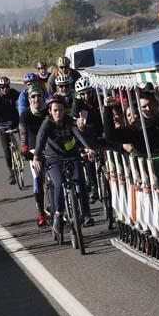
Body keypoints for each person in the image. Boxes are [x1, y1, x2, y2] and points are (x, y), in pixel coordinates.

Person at [33, 95, 95, 233]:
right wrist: (36, 157)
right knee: (59, 183)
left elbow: (78, 133)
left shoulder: (69, 121)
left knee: (80, 181)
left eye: (60, 110)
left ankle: (86, 214)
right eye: (55, 110)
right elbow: (41, 139)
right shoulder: (47, 123)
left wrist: (87, 147)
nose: (58, 113)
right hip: (53, 159)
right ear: (50, 111)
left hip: (71, 156)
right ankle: (59, 215)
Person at [102, 88, 159, 156]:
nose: (148, 109)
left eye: (150, 104)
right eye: (144, 107)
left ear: (156, 104)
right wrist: (107, 108)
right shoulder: (136, 129)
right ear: (139, 109)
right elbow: (111, 136)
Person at [19, 84, 50, 226]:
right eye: (33, 96)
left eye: (39, 96)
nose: (36, 99)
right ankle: (41, 214)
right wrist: (24, 148)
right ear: (29, 99)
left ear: (43, 97)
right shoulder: (25, 114)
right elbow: (23, 133)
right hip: (33, 150)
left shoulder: (50, 110)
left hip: (51, 147)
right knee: (37, 177)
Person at [0, 76, 21, 184]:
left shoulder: (14, 94)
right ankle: (11, 173)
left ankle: (26, 152)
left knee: (25, 136)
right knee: (6, 150)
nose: (4, 89)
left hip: (16, 122)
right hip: (2, 126)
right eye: (2, 87)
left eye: (6, 87)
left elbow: (22, 105)